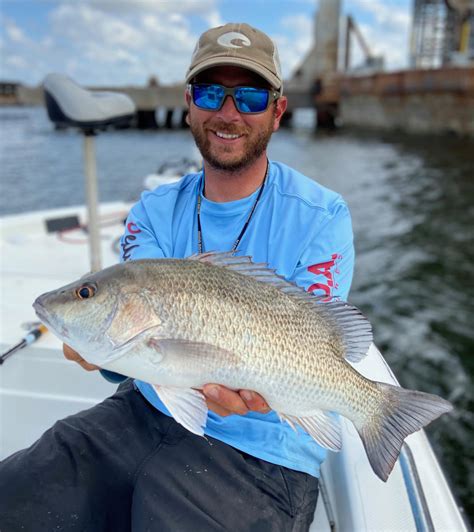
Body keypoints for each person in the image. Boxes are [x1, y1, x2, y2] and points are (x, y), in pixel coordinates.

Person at [0, 23, 354, 531]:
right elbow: (134, 355)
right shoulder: (153, 209)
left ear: (277, 112)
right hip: (143, 408)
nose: (228, 113)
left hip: (265, 450)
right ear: (189, 103)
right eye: (211, 93)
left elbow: (314, 335)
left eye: (250, 97)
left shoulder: (323, 215)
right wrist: (100, 348)